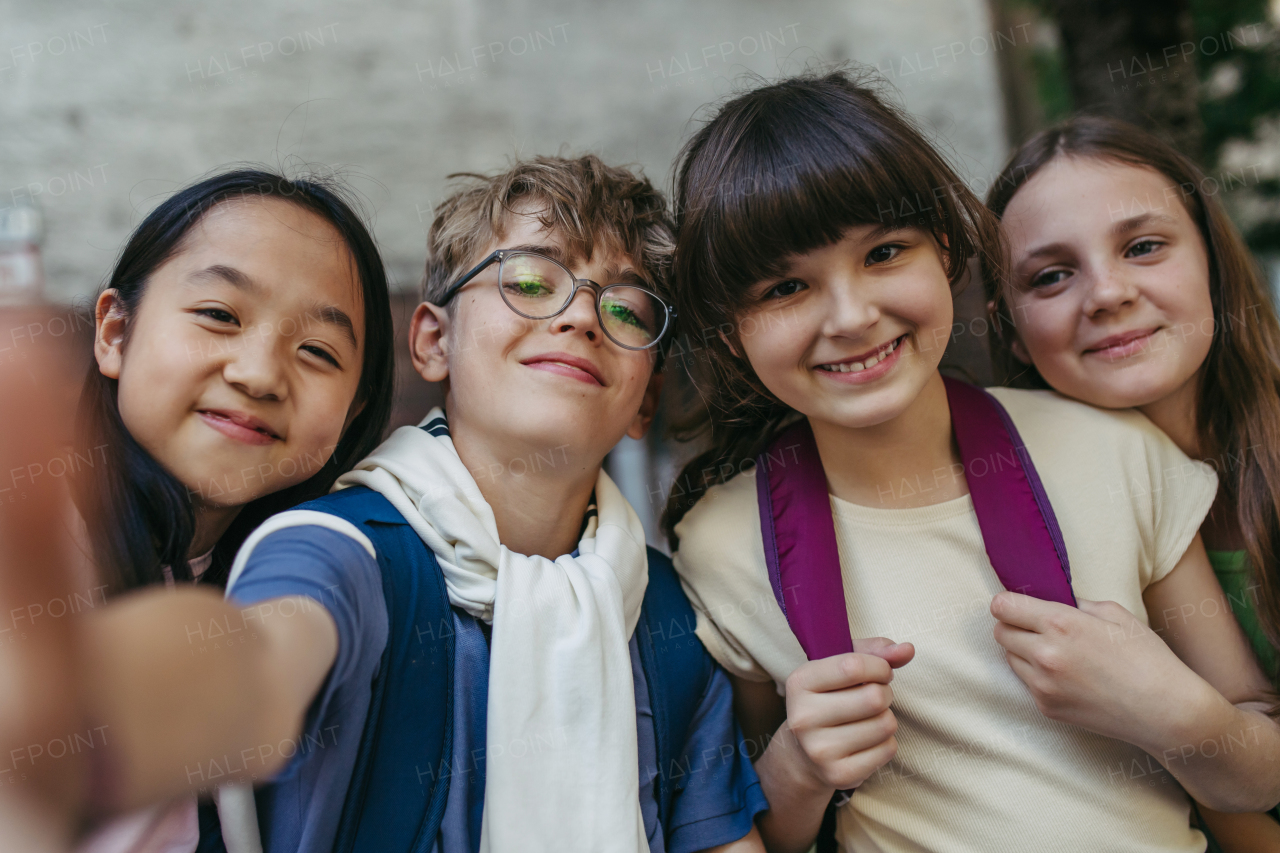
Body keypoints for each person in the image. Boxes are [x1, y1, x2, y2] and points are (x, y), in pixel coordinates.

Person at [48, 155, 767, 853]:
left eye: (625, 308)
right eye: (527, 279)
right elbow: (278, 640)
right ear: (432, 339)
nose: (581, 314)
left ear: (649, 395)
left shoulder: (662, 604)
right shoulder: (341, 546)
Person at [663, 70, 1279, 853]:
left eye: (884, 252)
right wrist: (795, 771)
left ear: (946, 251)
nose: (852, 316)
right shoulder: (723, 546)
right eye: (787, 286)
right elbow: (749, 830)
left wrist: (1176, 714)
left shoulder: (1113, 452)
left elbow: (1258, 772)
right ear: (727, 333)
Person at [61, 167, 396, 853]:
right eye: (219, 315)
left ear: (353, 410)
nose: (259, 373)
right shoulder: (34, 554)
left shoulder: (324, 558)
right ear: (114, 332)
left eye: (317, 351)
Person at [984, 114, 1280, 850]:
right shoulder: (1031, 528)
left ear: (1209, 257)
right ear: (1012, 331)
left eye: (1143, 247)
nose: (1108, 292)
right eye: (1052, 275)